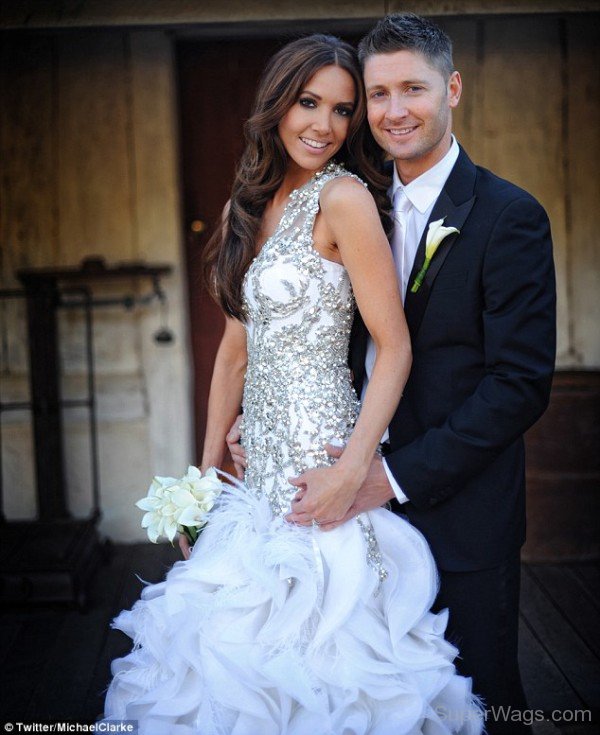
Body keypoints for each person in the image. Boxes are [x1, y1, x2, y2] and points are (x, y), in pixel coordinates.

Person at [103, 34, 484, 735]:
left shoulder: (343, 200)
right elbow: (230, 357)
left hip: (324, 470)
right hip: (258, 481)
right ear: (276, 107)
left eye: (342, 110)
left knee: (331, 674)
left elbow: (395, 349)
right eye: (309, 103)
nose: (324, 125)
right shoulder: (241, 210)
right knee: (228, 670)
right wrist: (207, 476)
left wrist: (351, 469)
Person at [230, 14, 556, 735]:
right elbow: (316, 335)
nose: (394, 110)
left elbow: (519, 384)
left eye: (413, 88)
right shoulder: (353, 196)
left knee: (483, 705)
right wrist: (264, 416)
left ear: (453, 88)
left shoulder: (509, 216)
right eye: (377, 94)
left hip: (457, 513)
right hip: (348, 515)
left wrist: (387, 475)